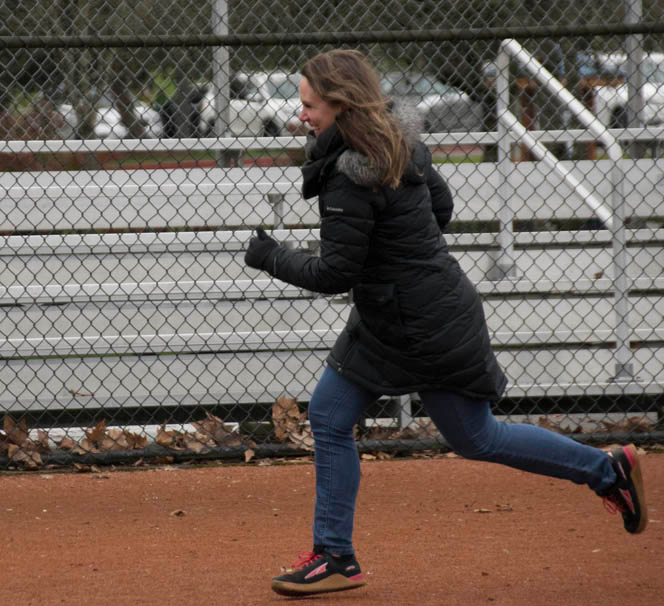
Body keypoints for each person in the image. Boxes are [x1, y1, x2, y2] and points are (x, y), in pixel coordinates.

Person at [243, 50, 648, 598]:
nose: (301, 116)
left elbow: (334, 272)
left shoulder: (350, 172)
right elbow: (441, 208)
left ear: (341, 104)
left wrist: (269, 256)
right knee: (330, 415)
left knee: (476, 437)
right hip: (402, 314)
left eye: (309, 106)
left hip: (423, 325)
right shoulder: (398, 145)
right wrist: (399, 260)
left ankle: (607, 472)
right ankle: (335, 555)